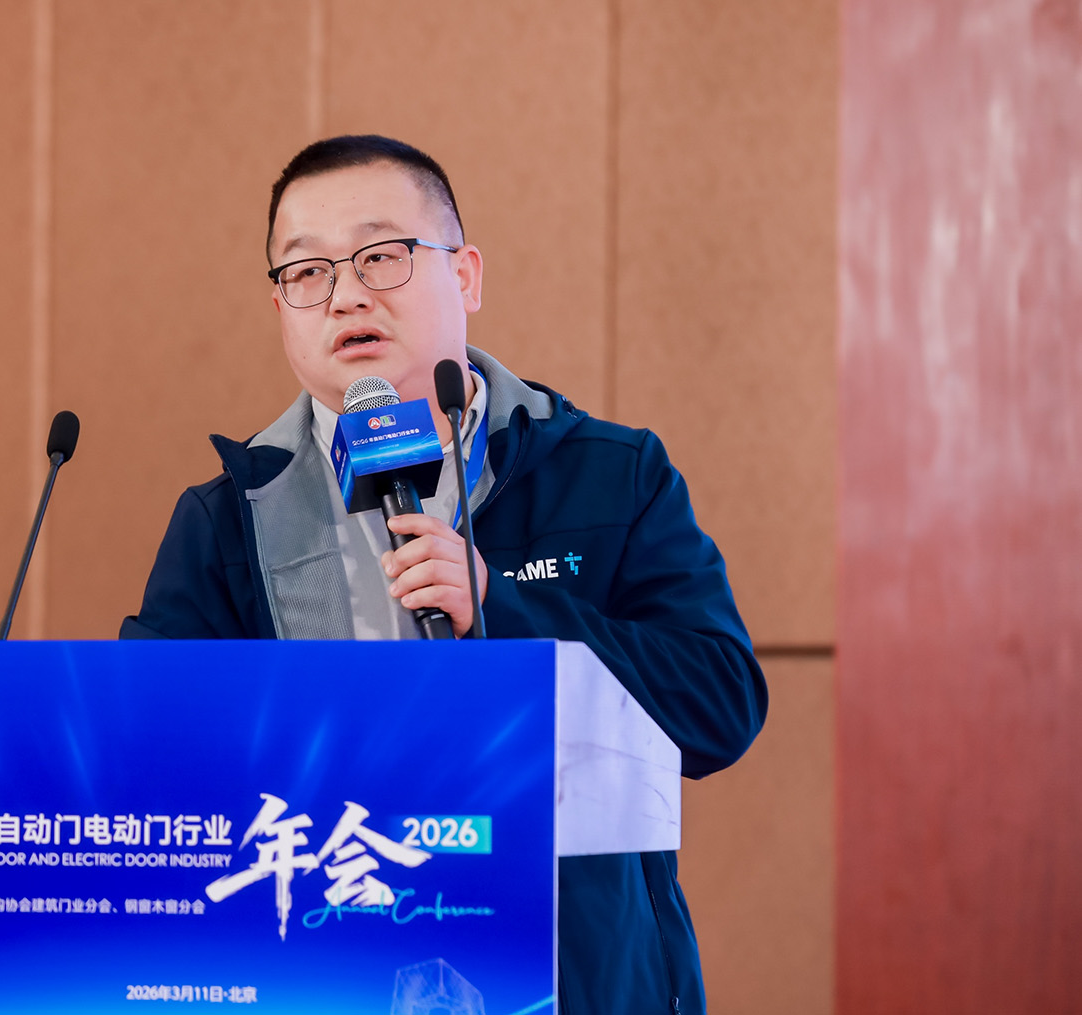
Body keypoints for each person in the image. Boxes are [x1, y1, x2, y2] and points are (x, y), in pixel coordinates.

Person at [122, 135, 767, 1015]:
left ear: (464, 276)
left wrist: (500, 607)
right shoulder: (230, 519)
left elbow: (717, 708)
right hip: (326, 976)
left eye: (380, 256)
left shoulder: (609, 475)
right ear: (279, 305)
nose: (345, 294)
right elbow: (150, 762)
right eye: (306, 271)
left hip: (572, 981)